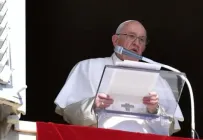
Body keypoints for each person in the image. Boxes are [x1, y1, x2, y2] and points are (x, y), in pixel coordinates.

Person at [54, 20, 184, 135]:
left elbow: (170, 128)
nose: (136, 43)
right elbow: (68, 113)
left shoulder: (159, 80)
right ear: (115, 40)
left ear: (144, 47)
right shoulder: (87, 67)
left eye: (141, 39)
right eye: (131, 36)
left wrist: (154, 110)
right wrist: (93, 105)